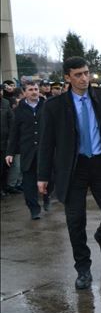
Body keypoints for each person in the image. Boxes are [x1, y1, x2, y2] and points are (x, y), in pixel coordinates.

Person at [37, 56, 101, 290]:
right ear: (67, 77)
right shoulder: (54, 106)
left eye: (86, 73)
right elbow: (47, 143)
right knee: (75, 220)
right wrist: (42, 176)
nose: (84, 78)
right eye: (78, 75)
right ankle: (83, 268)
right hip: (73, 168)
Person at [5, 81, 49, 219]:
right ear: (24, 93)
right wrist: (10, 152)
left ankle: (47, 199)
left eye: (36, 89)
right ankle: (34, 209)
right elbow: (14, 133)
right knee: (29, 183)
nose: (34, 92)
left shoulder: (46, 106)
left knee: (49, 179)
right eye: (30, 89)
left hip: (45, 151)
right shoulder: (18, 110)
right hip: (27, 151)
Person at [0, 84, 13, 197]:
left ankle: (4, 188)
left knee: (4, 168)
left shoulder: (5, 103)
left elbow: (11, 120)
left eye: (0, 90)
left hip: (4, 142)